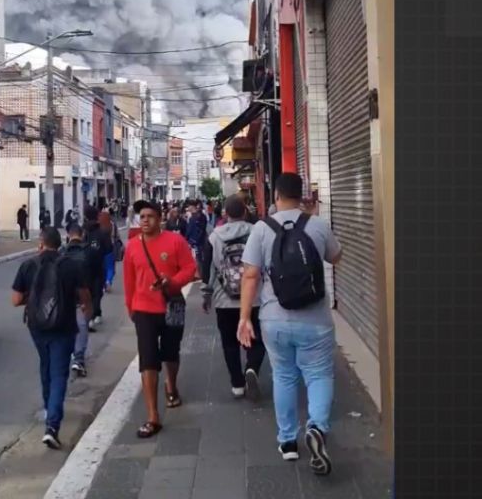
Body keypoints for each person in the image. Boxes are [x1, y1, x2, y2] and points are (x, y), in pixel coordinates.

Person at [237, 172, 343, 476]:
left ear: (275, 195)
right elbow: (336, 257)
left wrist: (244, 318)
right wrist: (315, 222)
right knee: (319, 374)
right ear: (303, 196)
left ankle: (287, 443)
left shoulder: (261, 229)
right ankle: (317, 427)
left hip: (274, 318)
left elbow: (250, 275)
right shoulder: (318, 224)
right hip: (316, 319)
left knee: (284, 376)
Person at [12, 227, 92, 450]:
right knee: (59, 373)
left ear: (41, 244)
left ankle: (49, 409)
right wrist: (87, 310)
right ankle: (52, 426)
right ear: (61, 244)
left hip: (37, 327)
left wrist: (33, 294)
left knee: (45, 366)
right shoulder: (70, 266)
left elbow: (15, 299)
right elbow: (84, 296)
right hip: (64, 326)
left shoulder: (28, 265)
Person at [123, 200, 196, 439]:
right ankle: (153, 415)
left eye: (150, 216)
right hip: (144, 310)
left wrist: (172, 281)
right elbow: (129, 281)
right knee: (148, 360)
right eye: (141, 216)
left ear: (160, 218)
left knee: (171, 352)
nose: (145, 220)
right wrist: (131, 308)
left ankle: (171, 385)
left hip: (172, 305)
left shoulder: (175, 241)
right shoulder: (133, 246)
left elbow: (190, 269)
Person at [202, 196, 265, 399]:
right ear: (245, 211)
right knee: (257, 339)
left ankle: (237, 384)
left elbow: (207, 269)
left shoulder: (214, 236)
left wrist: (207, 294)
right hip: (254, 297)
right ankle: (252, 367)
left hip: (224, 299)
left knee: (229, 342)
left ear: (225, 214)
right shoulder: (257, 231)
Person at [61, 224, 91, 376]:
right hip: (82, 295)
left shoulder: (61, 252)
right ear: (82, 234)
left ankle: (70, 355)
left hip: (63, 296)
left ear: (68, 234)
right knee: (81, 326)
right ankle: (78, 358)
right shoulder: (87, 252)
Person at [82, 206, 109, 328]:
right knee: (96, 291)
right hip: (97, 265)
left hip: (83, 265)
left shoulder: (83, 230)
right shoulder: (99, 232)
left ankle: (89, 314)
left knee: (85, 290)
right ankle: (94, 314)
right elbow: (107, 248)